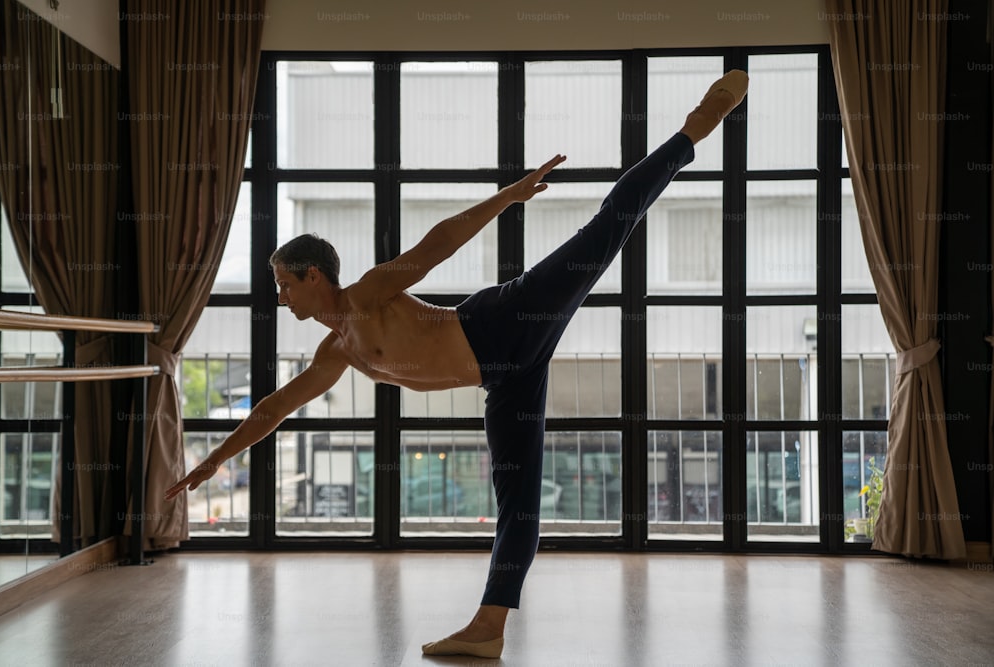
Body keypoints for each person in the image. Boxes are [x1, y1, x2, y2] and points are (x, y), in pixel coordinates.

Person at [165, 70, 749, 659]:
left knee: (604, 230)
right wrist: (213, 460)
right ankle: (488, 628)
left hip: (503, 320)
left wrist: (510, 195)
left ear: (313, 275)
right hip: (507, 375)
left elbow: (436, 244)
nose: (281, 296)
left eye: (283, 284)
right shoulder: (334, 351)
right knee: (516, 498)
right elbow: (273, 409)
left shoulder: (366, 296)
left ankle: (697, 125)